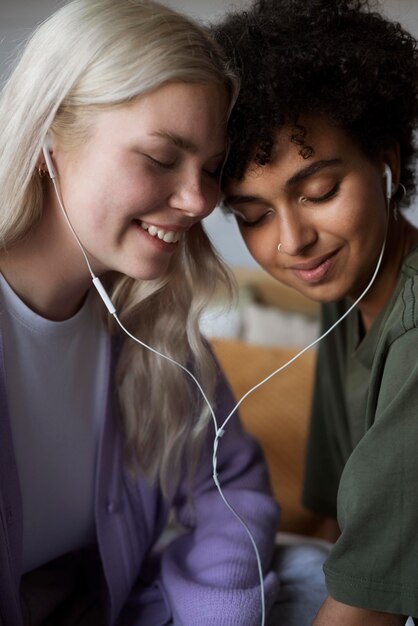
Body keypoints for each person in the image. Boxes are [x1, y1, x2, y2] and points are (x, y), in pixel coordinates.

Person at [0, 1, 285, 624]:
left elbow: (229, 482)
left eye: (211, 170)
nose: (197, 201)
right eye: (161, 158)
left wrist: (218, 607)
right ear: (51, 138)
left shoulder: (150, 318)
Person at [214, 0, 418, 624]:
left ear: (385, 161)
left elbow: (364, 608)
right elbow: (340, 527)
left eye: (319, 191)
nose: (292, 242)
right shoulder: (344, 293)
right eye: (252, 215)